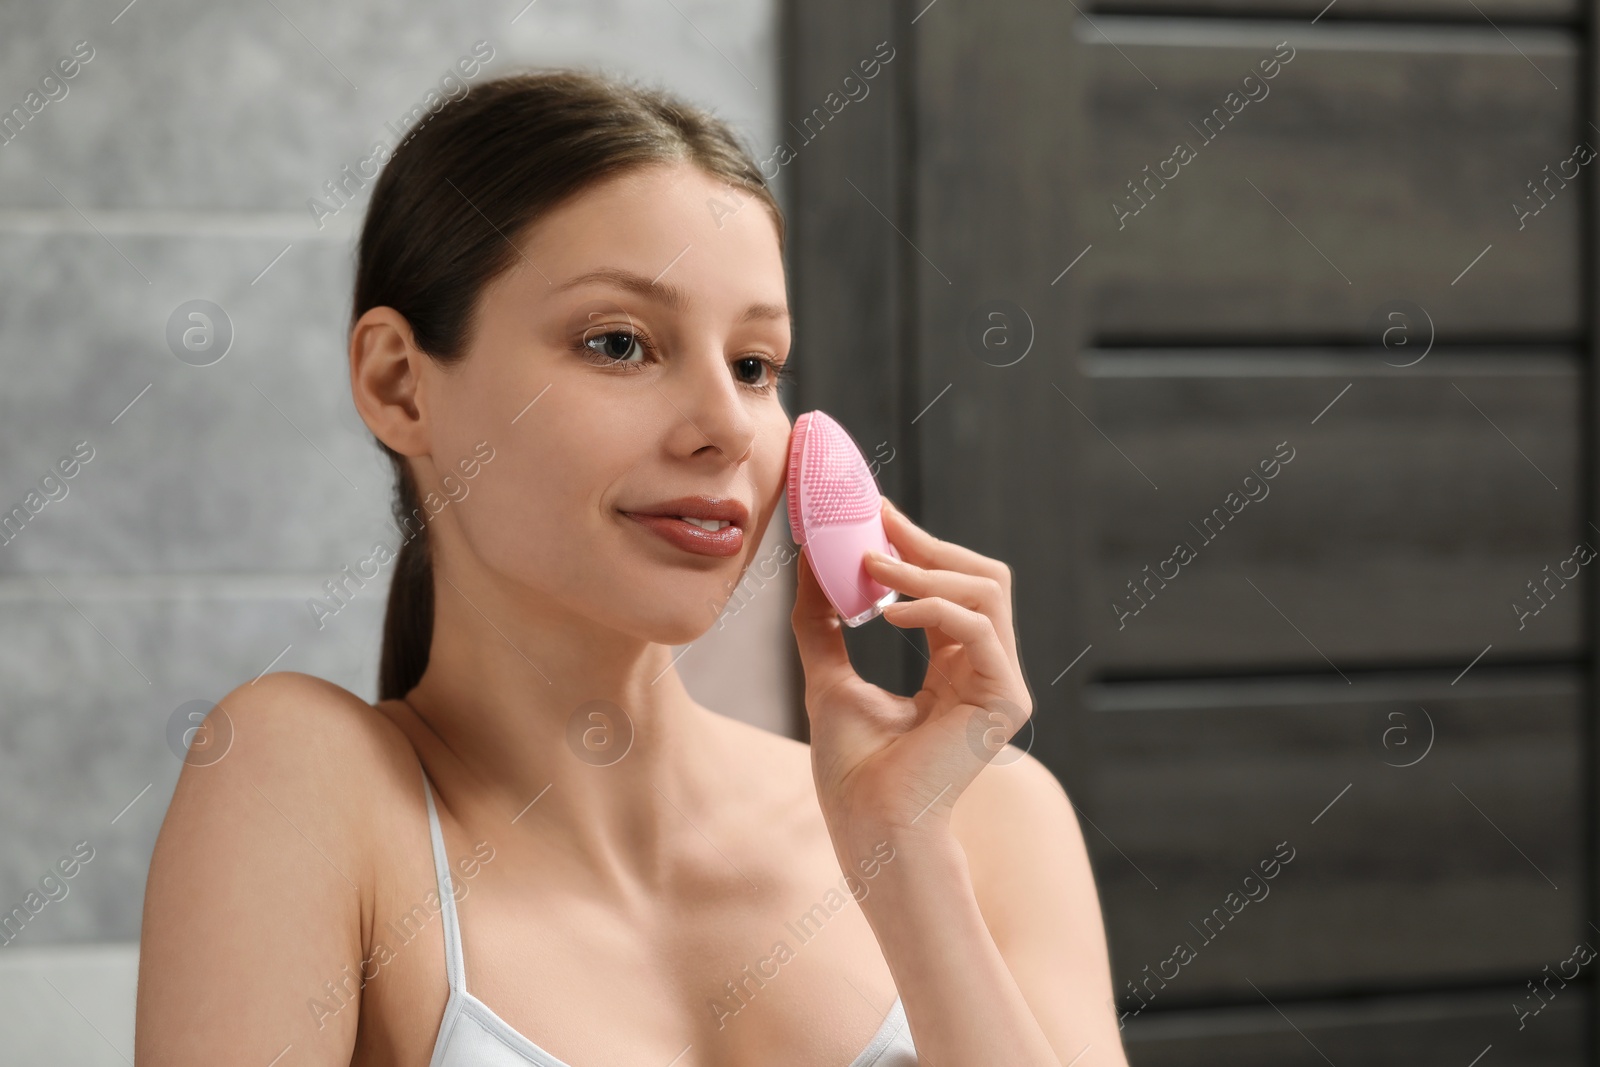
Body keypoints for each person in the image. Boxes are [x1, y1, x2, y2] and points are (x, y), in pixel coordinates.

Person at [135, 68, 1129, 1067]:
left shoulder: (985, 815)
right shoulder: (307, 780)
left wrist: (904, 858)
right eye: (619, 343)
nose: (724, 429)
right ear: (400, 384)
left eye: (754, 365)